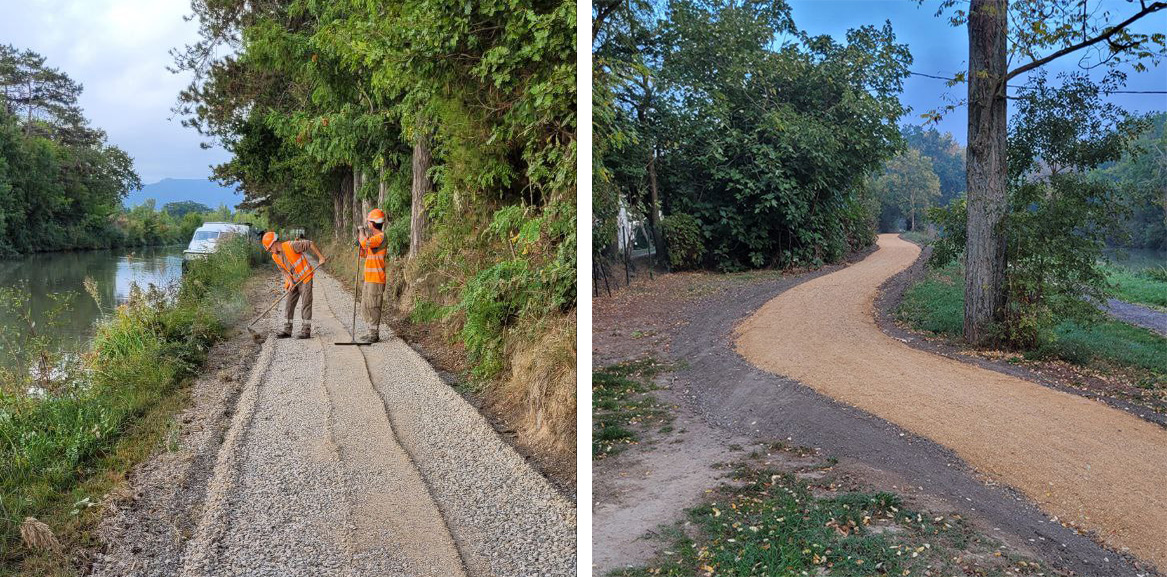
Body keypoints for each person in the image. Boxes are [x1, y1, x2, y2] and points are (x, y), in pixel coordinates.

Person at [262, 231, 326, 339]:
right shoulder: (275, 257)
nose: (270, 251)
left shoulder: (291, 245)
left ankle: (306, 331)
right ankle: (287, 331)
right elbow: (284, 271)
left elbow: (310, 243)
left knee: (306, 304)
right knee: (289, 305)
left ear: (273, 243)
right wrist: (290, 281)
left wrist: (321, 257)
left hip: (305, 278)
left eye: (269, 248)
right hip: (294, 281)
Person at [357, 209, 388, 343]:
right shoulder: (373, 239)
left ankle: (374, 334)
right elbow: (365, 253)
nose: (367, 224)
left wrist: (361, 232)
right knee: (366, 306)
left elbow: (365, 243)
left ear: (372, 223)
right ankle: (370, 331)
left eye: (368, 222)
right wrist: (360, 247)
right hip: (369, 278)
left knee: (374, 305)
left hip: (376, 279)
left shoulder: (381, 237)